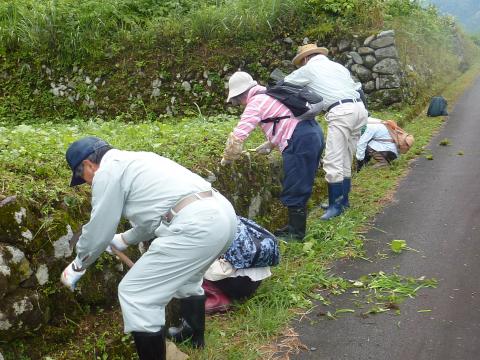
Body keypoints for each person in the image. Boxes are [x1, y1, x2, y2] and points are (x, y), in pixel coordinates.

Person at [60, 136, 237, 360]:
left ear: (87, 164)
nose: (86, 183)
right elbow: (156, 216)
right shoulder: (137, 160)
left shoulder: (106, 172)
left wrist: (78, 264)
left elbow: (99, 229)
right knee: (188, 278)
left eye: (81, 177)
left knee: (136, 294)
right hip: (220, 215)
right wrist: (123, 239)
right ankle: (192, 336)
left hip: (197, 224)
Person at [221, 71, 324, 242]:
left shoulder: (256, 102)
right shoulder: (270, 95)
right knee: (299, 181)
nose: (238, 104)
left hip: (301, 139)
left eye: (237, 100)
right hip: (311, 133)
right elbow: (285, 119)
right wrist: (270, 144)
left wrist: (228, 157)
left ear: (241, 95)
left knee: (296, 184)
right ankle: (293, 226)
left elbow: (239, 135)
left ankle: (296, 234)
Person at [283, 44, 368, 220]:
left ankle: (335, 206)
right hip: (359, 109)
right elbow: (357, 87)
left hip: (341, 111)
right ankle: (343, 201)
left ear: (305, 58)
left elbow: (285, 83)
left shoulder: (309, 69)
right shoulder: (338, 67)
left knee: (332, 160)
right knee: (346, 156)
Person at [201, 216, 278, 314]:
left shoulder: (197, 221)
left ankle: (217, 297)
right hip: (253, 281)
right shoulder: (226, 213)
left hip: (232, 281)